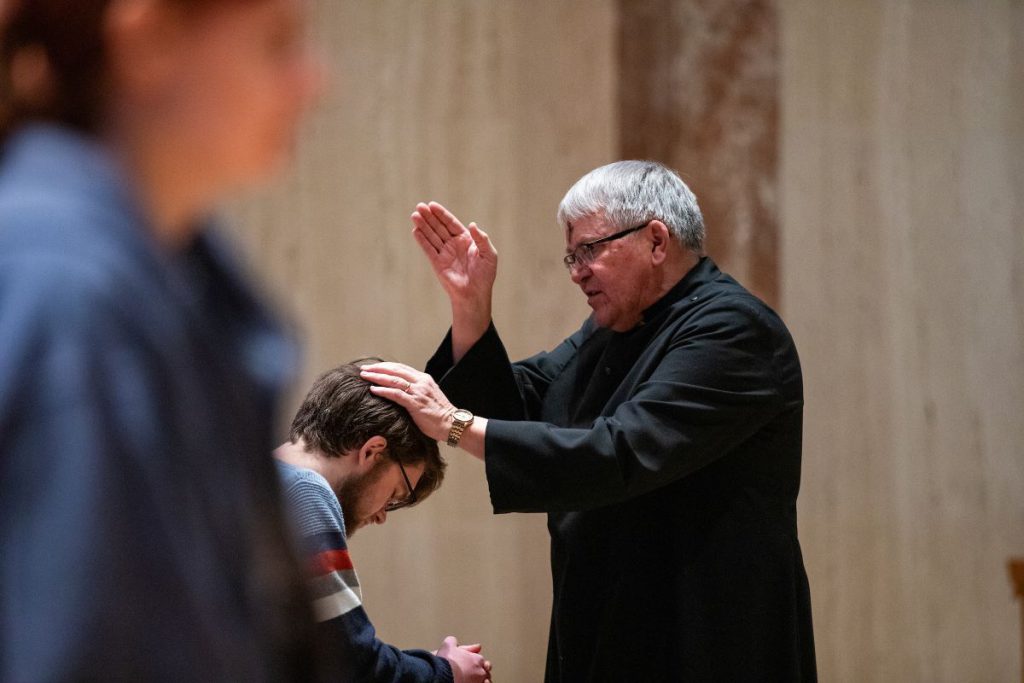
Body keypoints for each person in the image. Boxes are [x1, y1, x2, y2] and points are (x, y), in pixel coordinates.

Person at [359, 160, 817, 681]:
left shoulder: (733, 330)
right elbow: (521, 403)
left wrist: (454, 424)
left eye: (589, 251)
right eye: (571, 256)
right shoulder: (614, 326)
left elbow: (619, 451)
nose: (576, 271)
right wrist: (470, 307)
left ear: (656, 240)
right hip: (610, 619)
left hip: (706, 631)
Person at [0, 0, 325, 680]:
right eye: (277, 43)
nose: (314, 80)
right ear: (148, 46)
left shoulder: (161, 282)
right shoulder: (70, 297)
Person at [274, 360, 492, 683]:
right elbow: (351, 666)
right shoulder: (307, 493)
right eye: (394, 495)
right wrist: (447, 672)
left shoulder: (257, 479)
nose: (381, 516)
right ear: (373, 450)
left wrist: (426, 666)